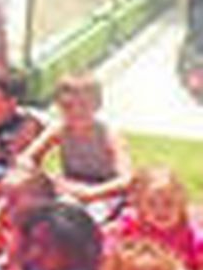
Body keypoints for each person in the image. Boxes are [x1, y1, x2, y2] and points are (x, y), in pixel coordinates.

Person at [23, 75, 132, 212]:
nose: (76, 111)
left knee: (80, 216)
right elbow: (26, 159)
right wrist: (48, 179)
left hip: (104, 192)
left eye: (83, 105)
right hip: (71, 188)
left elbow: (126, 178)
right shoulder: (60, 129)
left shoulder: (108, 134)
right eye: (68, 106)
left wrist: (92, 193)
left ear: (97, 105)